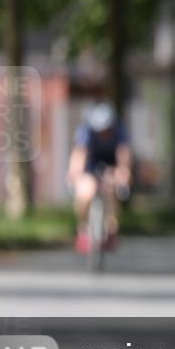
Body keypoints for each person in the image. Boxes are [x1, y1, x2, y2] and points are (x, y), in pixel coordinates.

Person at [66, 102, 132, 253]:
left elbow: (123, 155)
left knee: (113, 189)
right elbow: (79, 154)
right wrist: (74, 175)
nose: (104, 133)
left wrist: (124, 173)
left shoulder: (119, 131)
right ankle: (83, 228)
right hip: (90, 165)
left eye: (107, 130)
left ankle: (111, 229)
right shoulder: (86, 132)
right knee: (86, 191)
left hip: (111, 164)